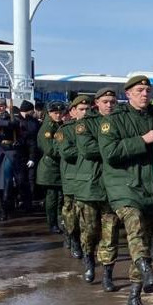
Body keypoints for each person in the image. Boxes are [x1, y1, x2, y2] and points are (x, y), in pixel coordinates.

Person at [97, 75, 153, 305]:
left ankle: (134, 296)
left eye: (147, 90)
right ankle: (145, 268)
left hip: (149, 187)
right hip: (123, 185)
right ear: (128, 94)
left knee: (143, 238)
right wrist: (142, 140)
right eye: (139, 90)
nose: (144, 94)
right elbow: (109, 152)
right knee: (134, 226)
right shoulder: (113, 120)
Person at [60, 94, 106, 284]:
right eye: (81, 109)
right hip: (72, 178)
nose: (85, 112)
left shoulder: (98, 125)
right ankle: (73, 239)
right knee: (72, 218)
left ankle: (98, 260)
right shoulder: (66, 130)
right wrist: (86, 148)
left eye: (88, 109)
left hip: (93, 180)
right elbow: (66, 152)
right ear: (72, 112)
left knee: (96, 225)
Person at [90, 89, 123, 292]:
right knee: (90, 231)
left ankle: (107, 274)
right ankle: (88, 259)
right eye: (105, 101)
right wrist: (111, 147)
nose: (109, 105)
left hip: (114, 186)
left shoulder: (121, 120)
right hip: (93, 186)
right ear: (97, 103)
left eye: (112, 101)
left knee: (110, 232)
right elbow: (88, 149)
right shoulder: (88, 123)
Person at [36, 102, 66, 234]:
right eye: (55, 113)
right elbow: (49, 149)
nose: (58, 115)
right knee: (52, 198)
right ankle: (52, 223)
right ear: (49, 113)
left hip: (58, 167)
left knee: (59, 197)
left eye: (60, 113)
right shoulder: (48, 128)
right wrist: (67, 152)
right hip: (50, 168)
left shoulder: (58, 125)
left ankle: (59, 221)